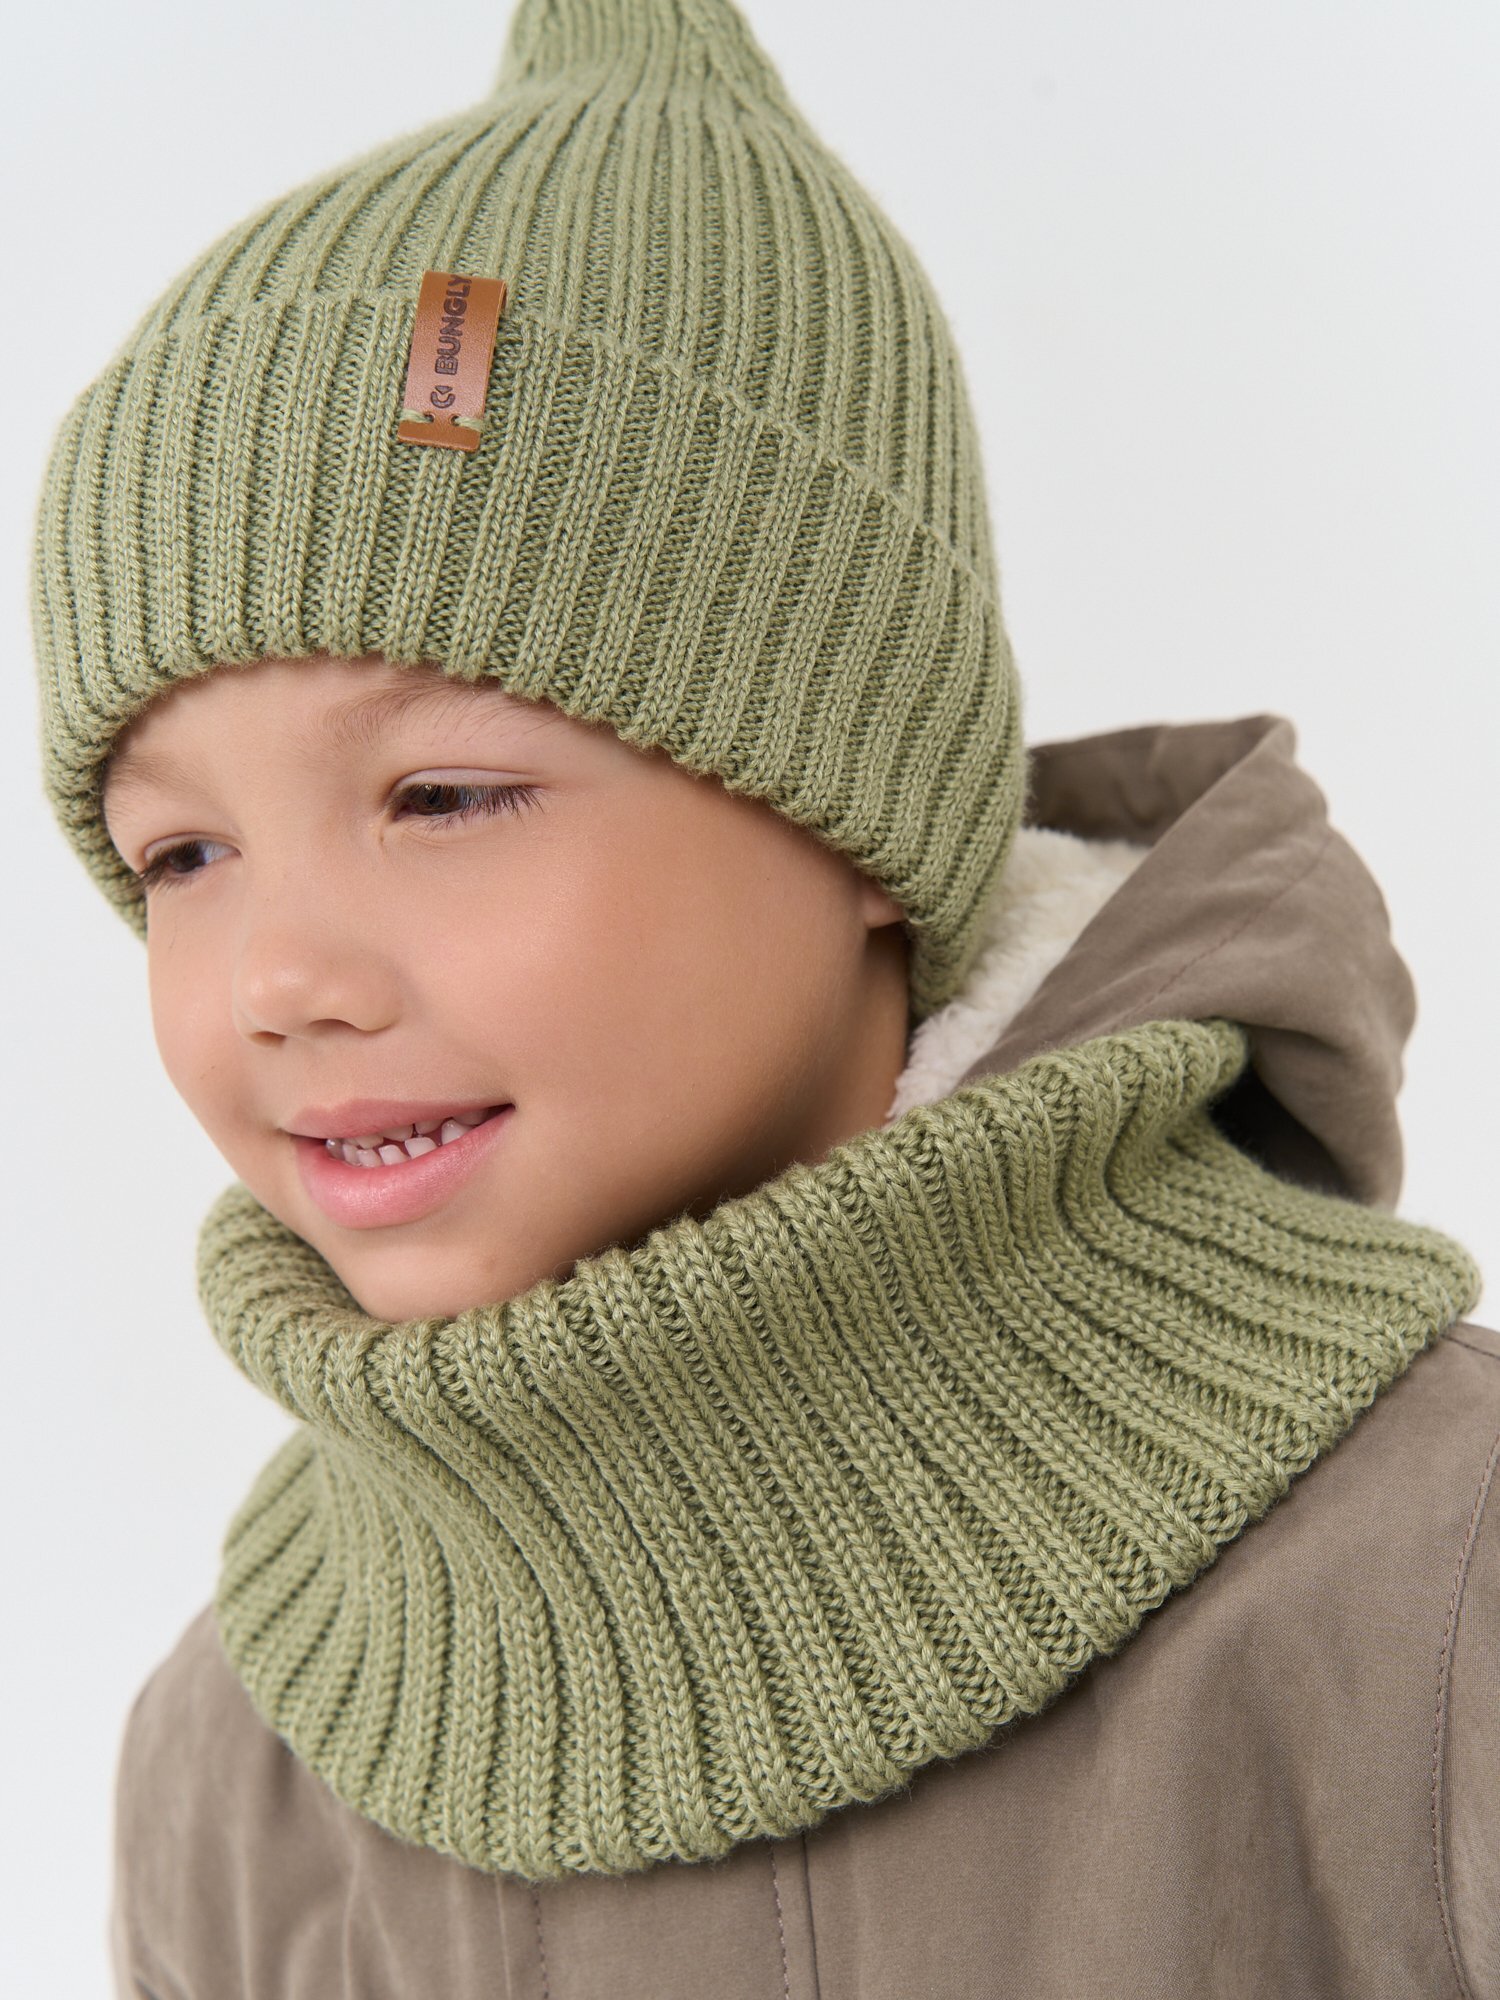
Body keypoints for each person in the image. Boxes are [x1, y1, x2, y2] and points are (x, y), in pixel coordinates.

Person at [30, 2, 1496, 1996]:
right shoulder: (234, 1780)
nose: (278, 979)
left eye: (442, 797)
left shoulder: (1437, 1596)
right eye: (181, 855)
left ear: (866, 808)